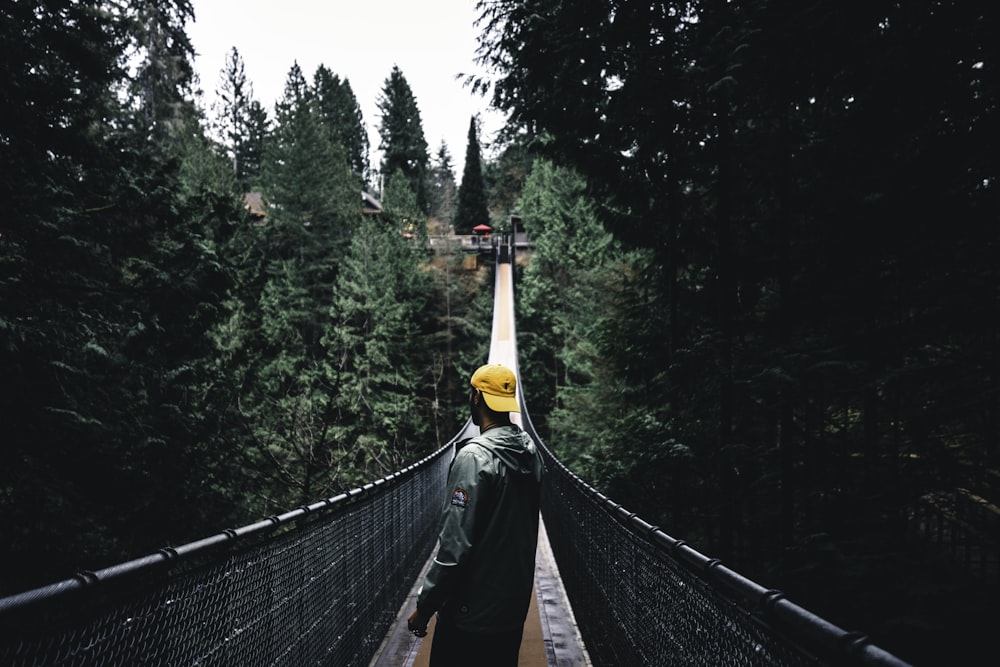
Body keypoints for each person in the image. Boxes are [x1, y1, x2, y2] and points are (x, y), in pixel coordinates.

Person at [407, 363, 546, 666]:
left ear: (476, 397)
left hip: (469, 614)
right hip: (510, 609)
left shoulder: (474, 457)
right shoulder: (530, 451)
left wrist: (425, 607)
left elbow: (455, 548)